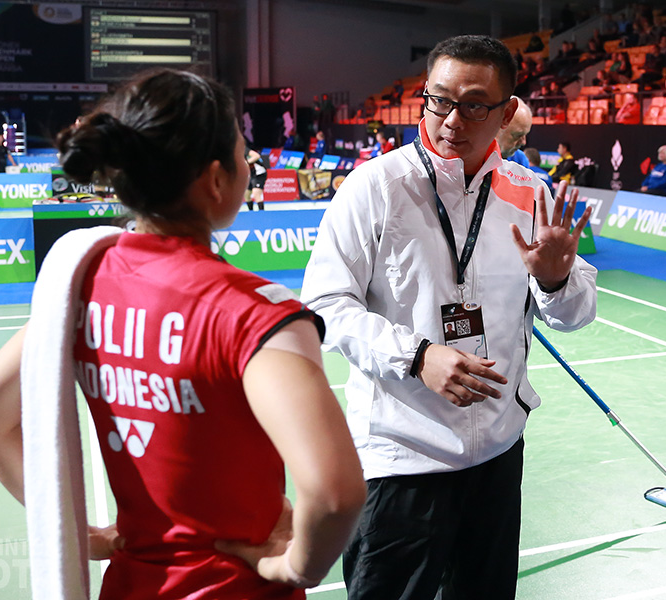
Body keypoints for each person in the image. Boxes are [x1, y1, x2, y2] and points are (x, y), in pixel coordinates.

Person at [0, 69, 366, 599]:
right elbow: (335, 495)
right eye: (241, 153)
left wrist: (84, 536)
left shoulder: (78, 289)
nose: (249, 165)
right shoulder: (253, 313)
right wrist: (293, 568)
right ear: (216, 180)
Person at [300, 35, 596, 600]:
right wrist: (416, 356)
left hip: (497, 457)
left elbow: (575, 316)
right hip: (401, 459)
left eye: (475, 105)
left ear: (507, 112)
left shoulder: (531, 194)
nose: (452, 121)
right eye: (439, 100)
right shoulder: (375, 187)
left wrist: (557, 279)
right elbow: (325, 305)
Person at [495, 96, 532, 166]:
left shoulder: (520, 160)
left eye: (525, 135)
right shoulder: (474, 158)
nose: (524, 142)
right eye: (518, 135)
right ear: (496, 129)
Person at [245, 146, 268, 211]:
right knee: (246, 195)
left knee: (256, 193)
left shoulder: (244, 149)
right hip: (250, 175)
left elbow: (256, 156)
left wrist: (246, 162)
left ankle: (261, 213)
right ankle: (251, 212)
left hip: (259, 173)